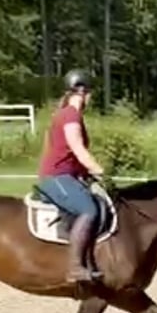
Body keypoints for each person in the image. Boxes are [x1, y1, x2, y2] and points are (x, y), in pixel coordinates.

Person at [37, 68, 105, 283]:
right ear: (83, 92)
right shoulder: (70, 115)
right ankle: (75, 268)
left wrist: (86, 174)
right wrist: (98, 169)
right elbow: (77, 147)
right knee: (88, 210)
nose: (91, 98)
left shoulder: (67, 114)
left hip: (68, 176)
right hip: (57, 176)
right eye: (90, 93)